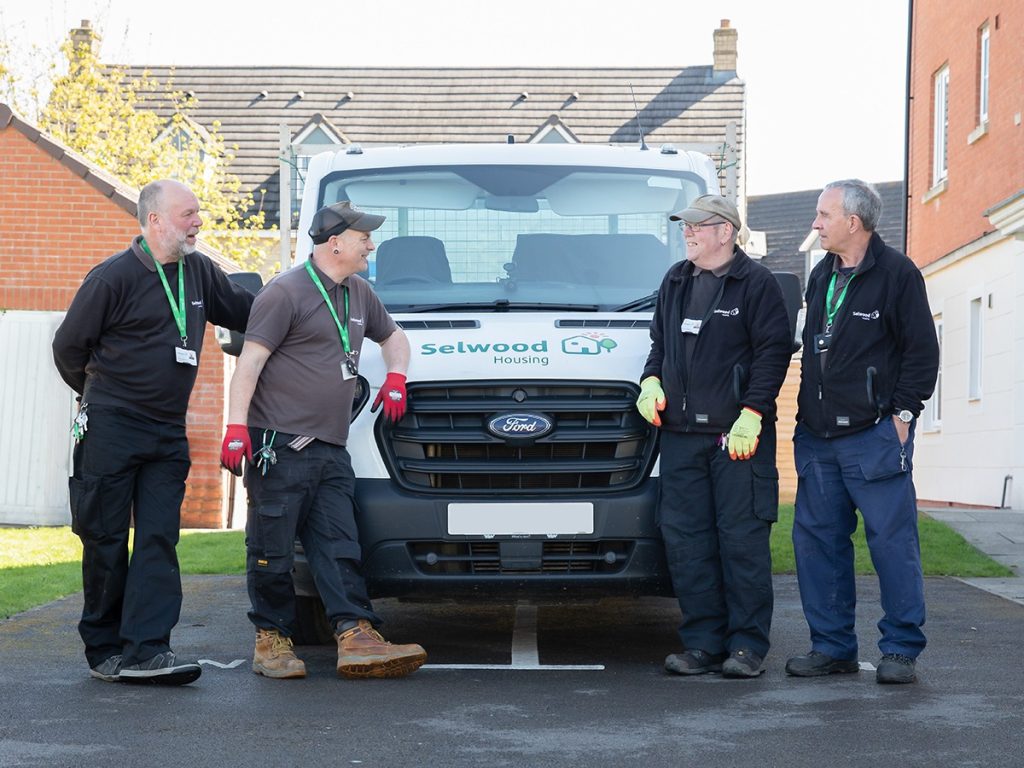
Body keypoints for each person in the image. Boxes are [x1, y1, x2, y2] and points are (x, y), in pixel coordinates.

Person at [52, 179, 255, 685]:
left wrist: (305, 294)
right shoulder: (112, 278)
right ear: (156, 220)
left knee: (159, 539)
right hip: (111, 428)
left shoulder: (201, 272)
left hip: (168, 433)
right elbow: (68, 349)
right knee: (104, 537)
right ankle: (104, 649)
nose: (198, 222)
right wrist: (100, 396)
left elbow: (253, 312)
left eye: (198, 213)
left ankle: (147, 650)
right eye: (188, 214)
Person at [221, 200, 426, 680]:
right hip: (280, 445)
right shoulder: (284, 293)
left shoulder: (359, 292)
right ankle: (270, 641)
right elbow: (248, 364)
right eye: (363, 238)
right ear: (335, 242)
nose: (371, 245)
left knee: (340, 544)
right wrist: (234, 428)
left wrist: (396, 376)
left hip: (331, 447)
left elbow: (394, 338)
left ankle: (356, 636)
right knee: (271, 547)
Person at [786, 179, 939, 685]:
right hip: (817, 439)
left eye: (824, 214)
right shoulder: (821, 276)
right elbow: (814, 351)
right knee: (818, 546)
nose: (815, 222)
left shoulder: (897, 274)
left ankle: (899, 649)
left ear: (854, 221)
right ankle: (832, 648)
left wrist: (903, 417)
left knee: (892, 543)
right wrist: (803, 419)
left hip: (874, 435)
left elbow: (922, 354)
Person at [638, 194, 792, 678]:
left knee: (741, 541)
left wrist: (752, 412)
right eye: (685, 226)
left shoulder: (756, 283)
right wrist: (651, 380)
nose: (688, 233)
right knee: (688, 542)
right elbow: (660, 343)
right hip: (681, 436)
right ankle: (702, 643)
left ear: (725, 231)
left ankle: (746, 647)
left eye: (697, 226)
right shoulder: (677, 280)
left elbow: (773, 353)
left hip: (736, 437)